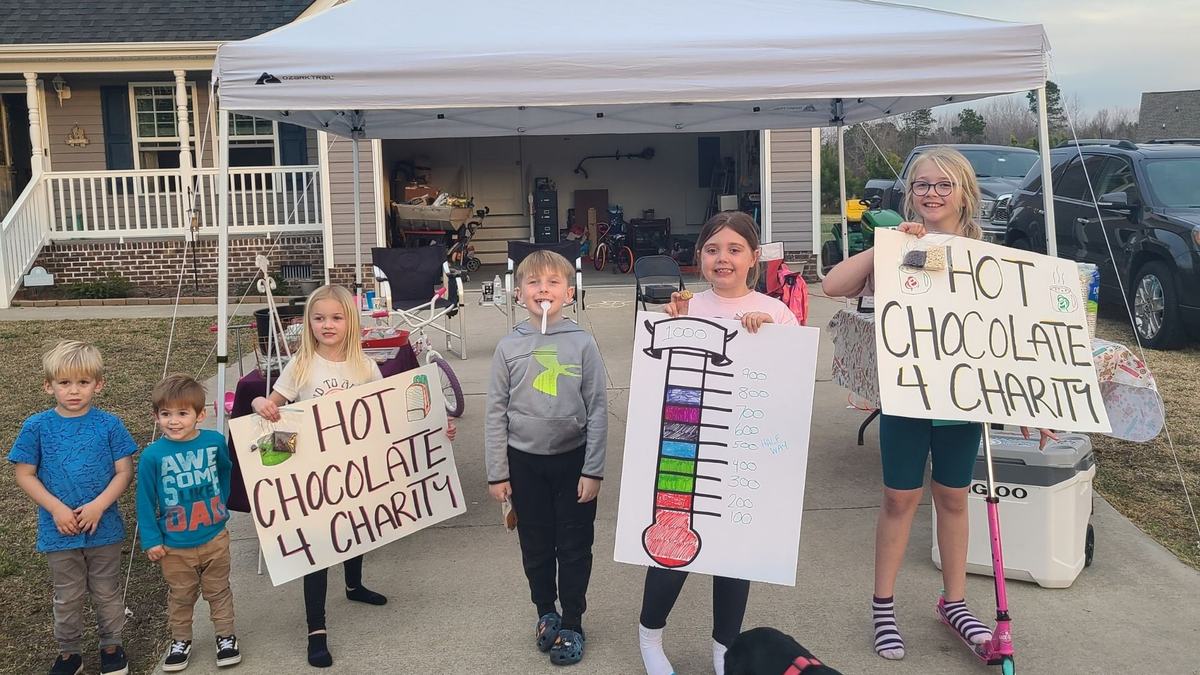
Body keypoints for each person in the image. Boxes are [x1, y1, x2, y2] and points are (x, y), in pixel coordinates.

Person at [822, 146, 1056, 660]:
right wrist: (884, 245)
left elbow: (1016, 335)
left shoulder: (989, 255)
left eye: (943, 185)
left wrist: (1036, 404)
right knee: (899, 499)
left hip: (961, 402)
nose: (932, 193)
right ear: (911, 194)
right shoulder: (896, 243)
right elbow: (833, 285)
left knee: (954, 497)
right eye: (923, 185)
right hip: (908, 397)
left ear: (964, 193)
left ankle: (954, 600)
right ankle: (883, 604)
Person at [251, 284, 461, 668]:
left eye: (336, 317)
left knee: (357, 524)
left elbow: (392, 410)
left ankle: (354, 584)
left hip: (355, 467)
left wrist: (436, 427)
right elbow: (271, 405)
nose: (327, 325)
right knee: (317, 546)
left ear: (351, 321)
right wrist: (259, 402)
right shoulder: (300, 364)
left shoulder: (364, 366)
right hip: (312, 468)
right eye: (318, 318)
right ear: (308, 323)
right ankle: (317, 630)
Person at [639, 211, 798, 675]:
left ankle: (724, 647)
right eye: (712, 249)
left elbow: (791, 387)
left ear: (753, 257)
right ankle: (650, 636)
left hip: (746, 450)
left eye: (734, 249)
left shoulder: (776, 313)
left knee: (734, 554)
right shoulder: (684, 308)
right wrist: (674, 318)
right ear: (699, 257)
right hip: (687, 442)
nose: (722, 258)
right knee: (670, 545)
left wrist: (768, 337)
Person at [486, 250, 607, 666]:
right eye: (534, 283)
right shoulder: (507, 347)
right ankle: (545, 612)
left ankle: (573, 620)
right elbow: (495, 413)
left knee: (574, 547)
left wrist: (594, 469)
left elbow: (597, 409)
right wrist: (497, 473)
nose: (543, 289)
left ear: (569, 293)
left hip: (572, 462)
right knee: (535, 546)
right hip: (525, 464)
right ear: (518, 294)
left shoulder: (583, 343)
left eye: (553, 282)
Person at [8, 340, 137, 675]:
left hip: (103, 528)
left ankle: (112, 645)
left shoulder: (110, 425)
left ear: (99, 384)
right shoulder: (36, 427)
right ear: (48, 386)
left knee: (107, 591)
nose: (74, 391)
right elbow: (24, 474)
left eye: (83, 382)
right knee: (67, 595)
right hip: (59, 529)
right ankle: (70, 653)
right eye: (65, 383)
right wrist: (56, 509)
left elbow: (125, 471)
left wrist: (98, 506)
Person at [137, 374, 240, 671]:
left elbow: (225, 471)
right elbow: (144, 499)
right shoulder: (152, 456)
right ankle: (180, 639)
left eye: (182, 413)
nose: (174, 421)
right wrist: (152, 539)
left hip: (214, 537)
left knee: (219, 591)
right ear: (156, 416)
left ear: (200, 414)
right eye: (165, 414)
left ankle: (226, 637)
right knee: (181, 596)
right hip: (174, 545)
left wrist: (222, 503)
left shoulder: (214, 442)